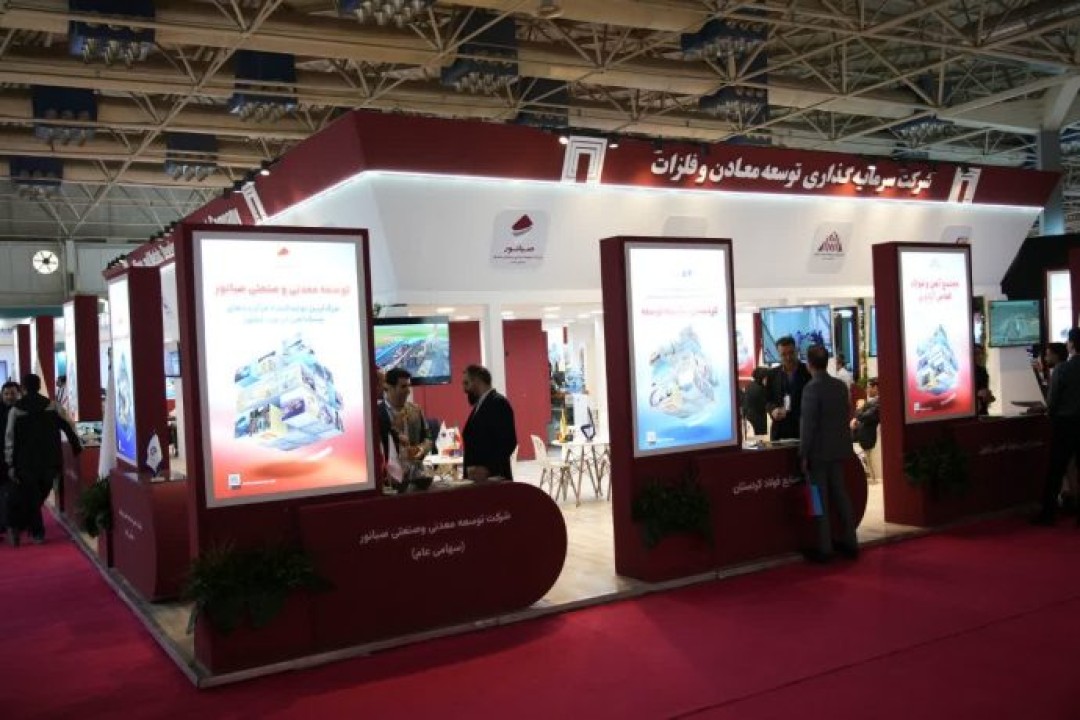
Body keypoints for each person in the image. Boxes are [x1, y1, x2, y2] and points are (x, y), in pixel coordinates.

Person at [4, 374, 82, 546]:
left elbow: (9, 439)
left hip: (25, 462)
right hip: (50, 460)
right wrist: (76, 445)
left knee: (32, 495)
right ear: (39, 387)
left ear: (23, 388)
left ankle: (21, 525)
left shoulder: (15, 410)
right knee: (39, 494)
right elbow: (68, 425)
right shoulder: (52, 406)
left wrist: (10, 463)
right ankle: (35, 531)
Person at [799, 345, 858, 563]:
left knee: (818, 499)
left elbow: (808, 426)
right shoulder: (840, 386)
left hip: (818, 453)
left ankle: (824, 548)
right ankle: (851, 541)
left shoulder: (811, 388)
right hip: (839, 449)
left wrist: (803, 453)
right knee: (841, 495)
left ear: (809, 364)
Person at [1031, 328, 1080, 526]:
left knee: (1056, 470)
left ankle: (1048, 513)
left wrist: (1049, 414)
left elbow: (1052, 402)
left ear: (1072, 344)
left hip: (1065, 424)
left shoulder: (1063, 369)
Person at [461, 364, 517, 481]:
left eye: (466, 383)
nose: (464, 389)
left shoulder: (498, 403)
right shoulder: (481, 405)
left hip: (493, 480)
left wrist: (488, 469)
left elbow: (508, 442)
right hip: (479, 480)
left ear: (477, 381)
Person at [377, 368, 432, 481]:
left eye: (409, 386)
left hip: (415, 478)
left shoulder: (416, 410)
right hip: (388, 480)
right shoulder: (376, 414)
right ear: (389, 387)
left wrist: (420, 450)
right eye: (403, 386)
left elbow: (428, 438)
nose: (408, 391)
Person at [765, 336, 812, 441]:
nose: (788, 357)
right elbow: (768, 400)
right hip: (779, 430)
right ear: (778, 354)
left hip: (803, 430)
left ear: (796, 351)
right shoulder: (772, 374)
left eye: (791, 353)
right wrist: (773, 410)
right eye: (783, 354)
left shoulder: (808, 372)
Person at [0, 381, 21, 536]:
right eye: (6, 394)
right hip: (1, 459)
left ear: (18, 394)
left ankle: (16, 523)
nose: (9, 397)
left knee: (17, 492)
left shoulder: (23, 410)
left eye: (12, 393)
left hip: (19, 459)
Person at [850, 378, 880, 451]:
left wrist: (859, 407)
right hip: (861, 438)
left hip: (867, 440)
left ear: (875, 387)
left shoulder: (878, 403)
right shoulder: (873, 401)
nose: (866, 390)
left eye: (868, 387)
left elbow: (864, 417)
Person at [741, 367, 768, 436]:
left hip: (749, 417)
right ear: (762, 377)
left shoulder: (749, 385)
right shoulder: (761, 389)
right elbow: (763, 406)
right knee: (760, 438)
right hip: (758, 419)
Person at [974, 345, 995, 416]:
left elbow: (984, 390)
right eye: (977, 354)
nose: (980, 356)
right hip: (970, 411)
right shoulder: (966, 373)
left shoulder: (983, 371)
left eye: (981, 354)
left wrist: (988, 396)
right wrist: (978, 393)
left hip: (983, 411)